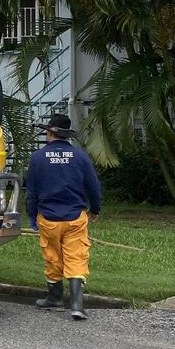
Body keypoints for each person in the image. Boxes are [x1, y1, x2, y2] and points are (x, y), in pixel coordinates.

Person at [26, 113, 102, 320]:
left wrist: (32, 217)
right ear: (66, 136)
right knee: (76, 257)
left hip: (48, 218)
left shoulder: (37, 158)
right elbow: (93, 187)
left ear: (49, 133)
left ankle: (55, 297)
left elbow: (31, 194)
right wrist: (95, 209)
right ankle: (77, 305)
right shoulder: (80, 156)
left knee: (52, 257)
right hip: (75, 217)